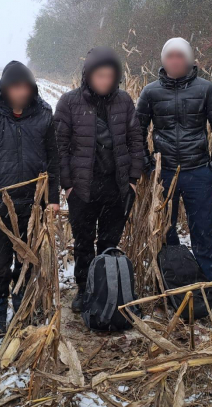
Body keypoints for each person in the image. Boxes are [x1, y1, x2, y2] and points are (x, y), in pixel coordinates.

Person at [136, 37, 212, 308]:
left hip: (198, 172)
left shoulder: (206, 89)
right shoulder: (150, 92)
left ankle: (210, 287)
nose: (175, 61)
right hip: (163, 174)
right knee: (165, 231)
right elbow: (137, 130)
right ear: (163, 60)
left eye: (180, 56)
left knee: (203, 231)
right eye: (170, 56)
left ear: (189, 60)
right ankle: (172, 285)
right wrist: (147, 164)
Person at [0, 60, 60, 336]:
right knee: (0, 265)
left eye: (24, 87)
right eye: (14, 87)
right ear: (4, 89)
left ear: (31, 88)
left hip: (32, 206)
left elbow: (54, 160)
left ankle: (22, 308)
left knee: (27, 261)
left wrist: (52, 198)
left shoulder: (45, 115)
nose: (20, 92)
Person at [54, 47, 144, 313]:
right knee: (83, 243)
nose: (104, 80)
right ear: (88, 76)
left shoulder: (124, 101)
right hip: (83, 187)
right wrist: (68, 185)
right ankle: (84, 289)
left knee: (109, 241)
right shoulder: (69, 102)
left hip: (116, 186)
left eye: (109, 75)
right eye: (99, 75)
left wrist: (132, 179)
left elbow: (136, 140)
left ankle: (105, 288)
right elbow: (59, 145)